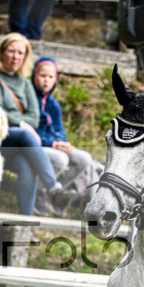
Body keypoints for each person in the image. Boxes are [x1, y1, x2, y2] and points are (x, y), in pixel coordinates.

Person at [0, 33, 61, 216]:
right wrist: (21, 122)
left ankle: (25, 223)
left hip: (8, 144)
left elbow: (35, 118)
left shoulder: (25, 83)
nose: (15, 56)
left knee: (26, 164)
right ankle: (52, 186)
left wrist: (18, 122)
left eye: (20, 53)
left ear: (25, 57)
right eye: (11, 51)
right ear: (1, 53)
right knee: (25, 134)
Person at [31, 56, 99, 216]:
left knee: (84, 158)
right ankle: (38, 192)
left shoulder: (53, 103)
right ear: (34, 76)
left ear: (55, 80)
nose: (46, 80)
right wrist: (54, 144)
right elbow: (31, 128)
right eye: (42, 76)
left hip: (54, 144)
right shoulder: (30, 98)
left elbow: (59, 128)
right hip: (36, 144)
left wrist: (63, 142)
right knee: (61, 159)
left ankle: (55, 193)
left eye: (50, 77)